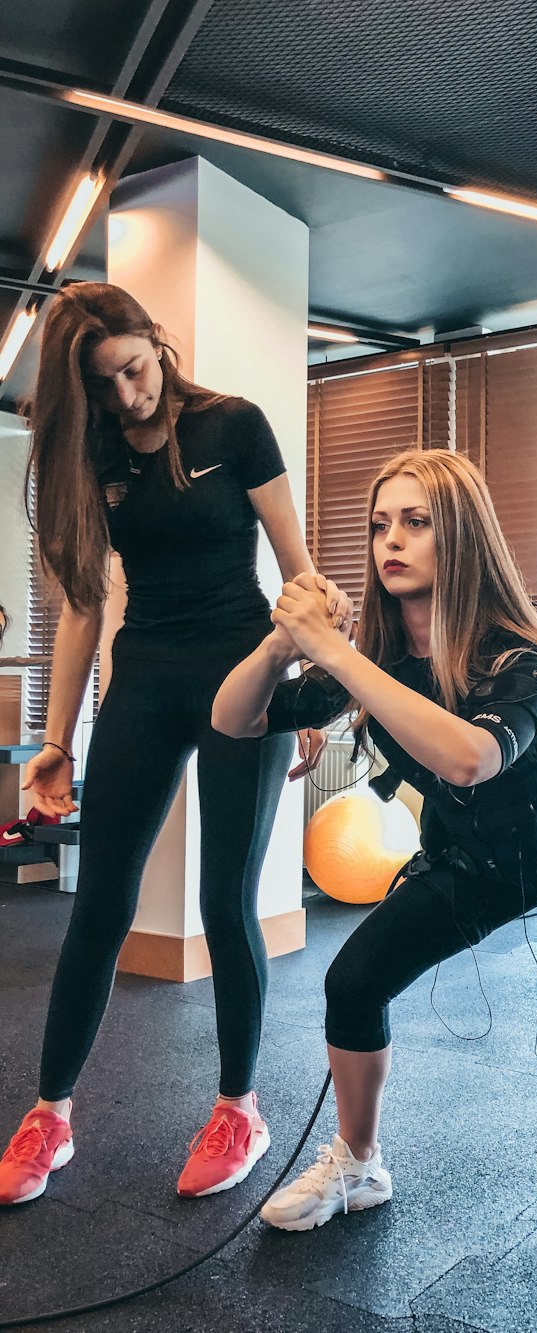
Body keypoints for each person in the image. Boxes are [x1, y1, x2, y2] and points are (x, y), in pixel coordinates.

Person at [213, 448, 537, 1333]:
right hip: (472, 861)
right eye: (381, 522)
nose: (392, 539)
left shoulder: (520, 655)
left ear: (458, 536)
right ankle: (359, 1159)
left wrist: (337, 655)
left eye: (415, 522)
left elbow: (468, 753)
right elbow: (232, 720)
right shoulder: (381, 652)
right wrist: (283, 640)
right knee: (352, 983)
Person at [0, 282, 345, 1207]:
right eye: (104, 386)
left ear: (157, 340)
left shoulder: (235, 427)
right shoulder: (97, 451)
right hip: (144, 677)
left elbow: (299, 569)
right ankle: (50, 1113)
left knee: (225, 901)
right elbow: (81, 602)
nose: (127, 396)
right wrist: (54, 740)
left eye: (134, 370)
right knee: (101, 906)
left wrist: (306, 696)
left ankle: (239, 1106)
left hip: (244, 676)